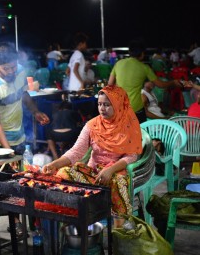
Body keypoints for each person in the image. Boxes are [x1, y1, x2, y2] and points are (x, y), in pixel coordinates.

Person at [0, 42, 50, 242]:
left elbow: (23, 95)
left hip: (18, 137)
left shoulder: (19, 72)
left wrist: (35, 111)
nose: (12, 71)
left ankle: (15, 221)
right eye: (7, 68)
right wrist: (8, 151)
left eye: (14, 66)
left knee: (15, 183)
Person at [42, 85, 142, 228]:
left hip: (115, 172)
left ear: (118, 105)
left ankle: (119, 228)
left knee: (119, 182)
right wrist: (54, 164)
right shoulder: (92, 125)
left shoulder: (129, 125)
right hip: (94, 173)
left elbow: (132, 156)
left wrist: (110, 170)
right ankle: (79, 214)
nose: (102, 108)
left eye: (107, 105)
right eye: (100, 104)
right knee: (63, 172)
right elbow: (76, 152)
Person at [108, 38, 182, 123]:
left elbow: (110, 85)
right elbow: (160, 84)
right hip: (136, 109)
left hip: (120, 107)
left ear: (130, 52)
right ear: (142, 53)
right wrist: (173, 82)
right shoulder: (145, 68)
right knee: (141, 131)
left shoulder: (118, 63)